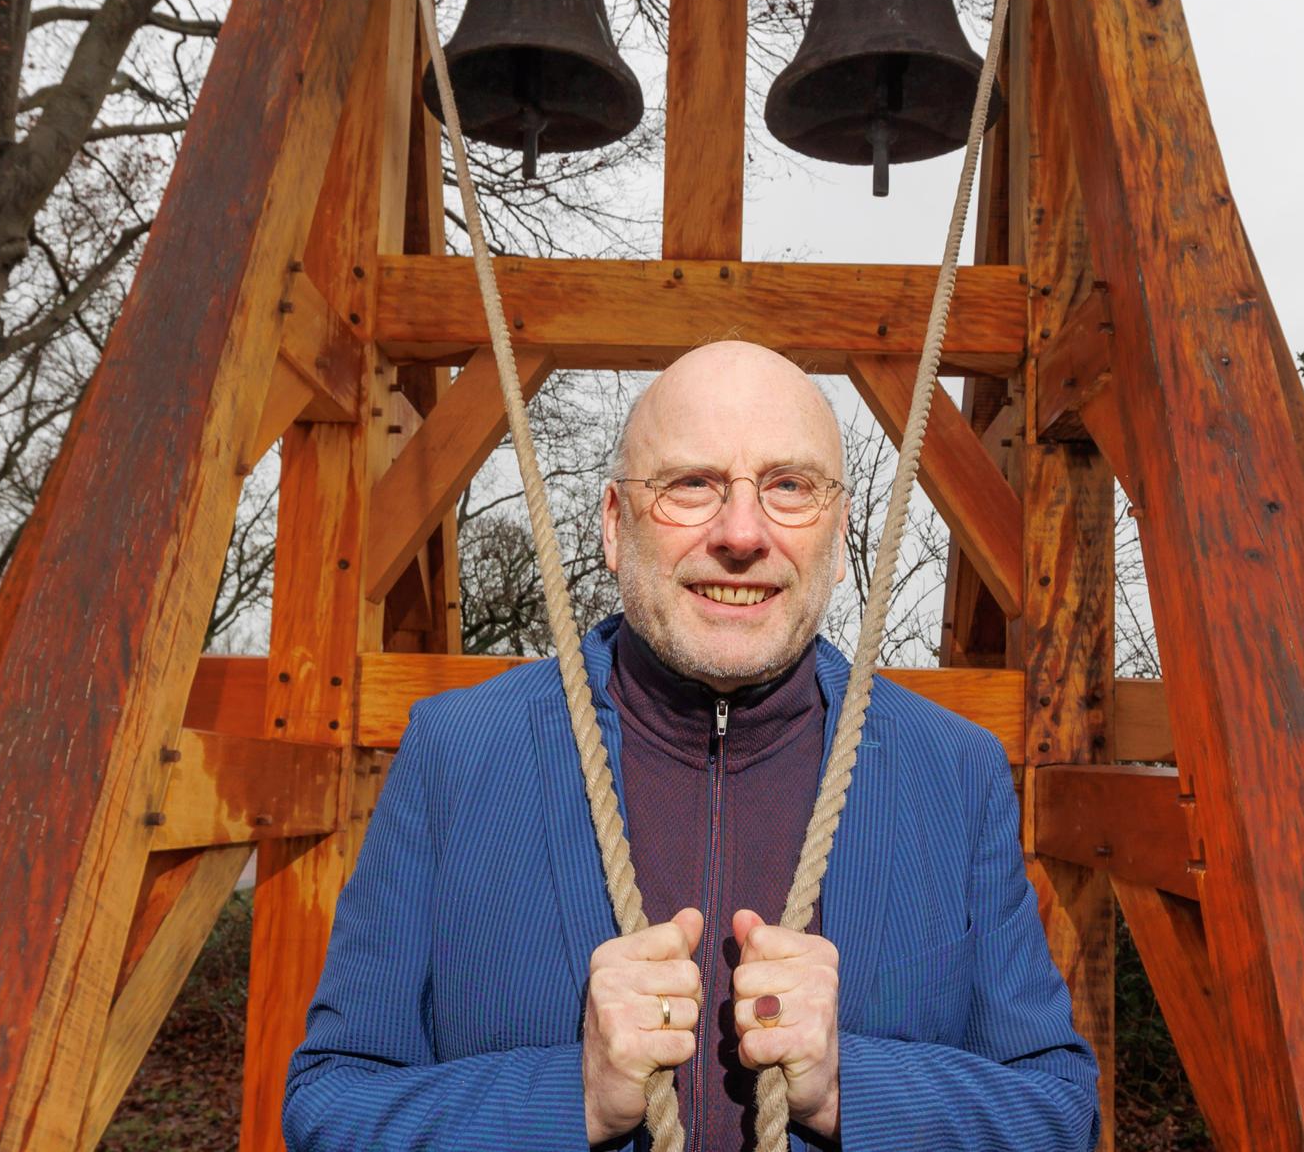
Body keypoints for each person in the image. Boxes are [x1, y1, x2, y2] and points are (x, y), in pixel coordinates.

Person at [282, 342, 1100, 1150]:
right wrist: (575, 1098)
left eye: (788, 486)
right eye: (691, 485)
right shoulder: (456, 757)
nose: (741, 532)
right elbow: (330, 1109)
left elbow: (1058, 1112)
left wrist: (850, 1087)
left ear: (840, 526)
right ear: (612, 524)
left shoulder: (953, 774)